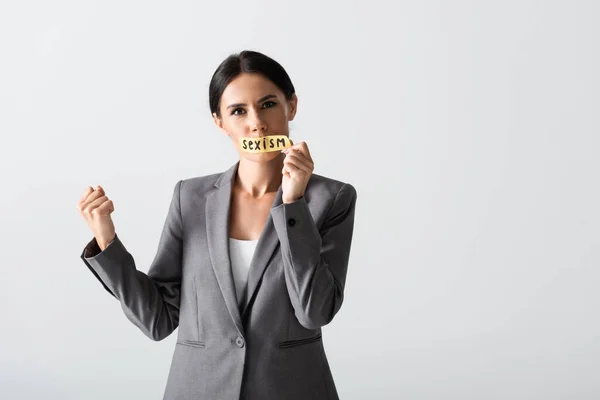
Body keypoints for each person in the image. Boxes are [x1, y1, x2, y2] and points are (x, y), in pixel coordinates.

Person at [77, 50, 358, 400]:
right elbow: (158, 319)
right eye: (238, 111)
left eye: (268, 104)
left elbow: (315, 311)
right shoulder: (190, 198)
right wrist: (106, 240)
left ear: (292, 106)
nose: (256, 123)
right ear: (219, 122)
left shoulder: (332, 199)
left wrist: (293, 204)